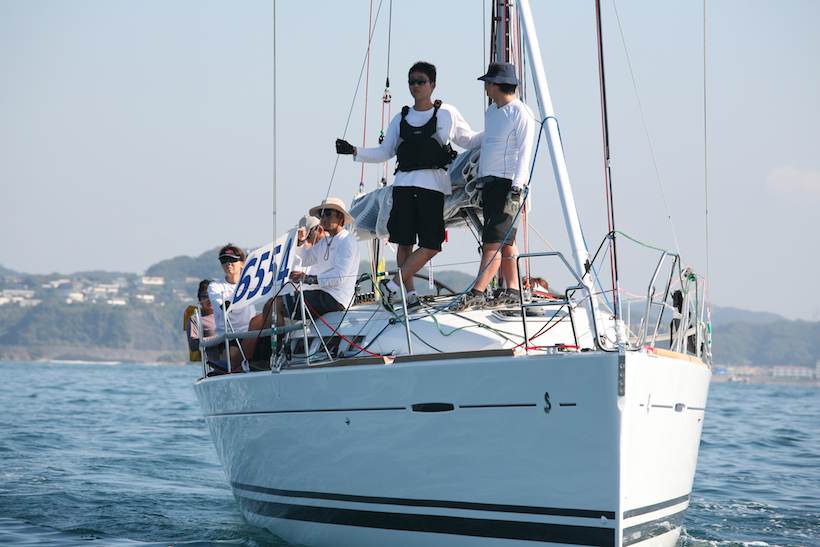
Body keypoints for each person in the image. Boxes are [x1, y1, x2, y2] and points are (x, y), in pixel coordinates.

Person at [336, 61, 482, 310]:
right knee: (405, 243)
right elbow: (385, 152)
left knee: (431, 245)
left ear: (433, 85)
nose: (416, 85)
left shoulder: (446, 113)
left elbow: (469, 140)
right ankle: (410, 295)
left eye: (421, 81)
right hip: (403, 188)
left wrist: (500, 131)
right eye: (412, 81)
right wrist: (354, 151)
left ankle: (392, 286)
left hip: (432, 189)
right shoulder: (401, 118)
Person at [452, 62, 535, 311]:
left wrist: (517, 188)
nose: (485, 87)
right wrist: (451, 130)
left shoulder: (521, 112)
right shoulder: (492, 111)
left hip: (507, 185)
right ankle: (513, 289)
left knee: (493, 243)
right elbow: (481, 139)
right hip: (488, 185)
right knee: (505, 242)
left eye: (487, 82)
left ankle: (477, 292)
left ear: (496, 85)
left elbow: (525, 153)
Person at [274, 198, 360, 337]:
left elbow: (340, 277)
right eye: (321, 214)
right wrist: (300, 241)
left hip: (335, 299)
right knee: (273, 304)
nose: (323, 218)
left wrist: (308, 278)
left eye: (328, 213)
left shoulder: (347, 241)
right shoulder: (326, 241)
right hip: (324, 295)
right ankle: (276, 348)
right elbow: (305, 260)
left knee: (274, 305)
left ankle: (277, 349)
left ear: (341, 217)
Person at [208, 244, 256, 365]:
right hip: (230, 337)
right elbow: (217, 301)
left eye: (233, 260)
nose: (228, 263)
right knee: (232, 355)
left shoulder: (252, 283)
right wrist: (224, 305)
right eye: (224, 261)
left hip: (251, 333)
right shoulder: (215, 286)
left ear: (242, 264)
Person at [186, 279, 221, 362]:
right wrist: (220, 338)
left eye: (213, 295)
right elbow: (194, 344)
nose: (209, 299)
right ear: (199, 299)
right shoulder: (196, 318)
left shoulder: (229, 315)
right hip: (223, 360)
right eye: (205, 295)